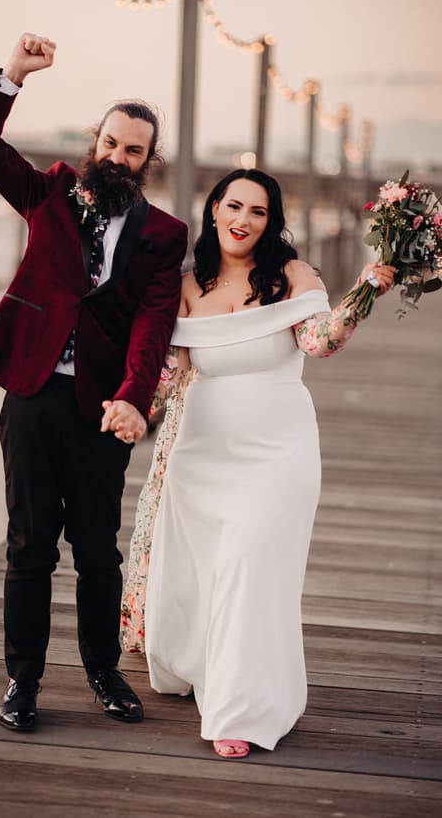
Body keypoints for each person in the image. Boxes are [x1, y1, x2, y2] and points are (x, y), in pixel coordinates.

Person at [121, 168, 394, 758]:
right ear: (214, 209)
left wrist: (366, 291)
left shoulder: (293, 275)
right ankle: (207, 666)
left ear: (272, 222)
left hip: (278, 451)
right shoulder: (187, 286)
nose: (243, 220)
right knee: (212, 570)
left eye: (259, 211)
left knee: (251, 566)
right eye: (234, 206)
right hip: (201, 455)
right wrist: (133, 410)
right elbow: (169, 376)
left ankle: (241, 709)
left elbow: (319, 341)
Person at [0, 33, 188, 732]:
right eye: (112, 143)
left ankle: (103, 670)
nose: (119, 156)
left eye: (134, 150)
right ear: (97, 141)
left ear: (148, 162)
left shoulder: (164, 234)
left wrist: (133, 396)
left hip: (101, 408)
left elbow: (153, 322)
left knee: (96, 547)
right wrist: (12, 75)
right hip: (30, 392)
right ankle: (21, 681)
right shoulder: (51, 191)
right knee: (29, 543)